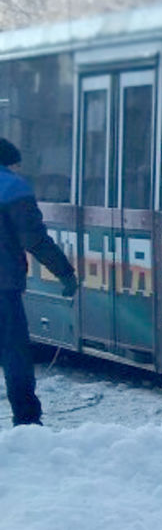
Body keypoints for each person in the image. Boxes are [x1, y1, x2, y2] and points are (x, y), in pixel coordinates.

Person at [0, 138, 77, 426]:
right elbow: (34, 239)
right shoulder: (12, 187)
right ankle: (27, 422)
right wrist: (65, 273)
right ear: (10, 163)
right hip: (3, 289)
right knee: (14, 354)